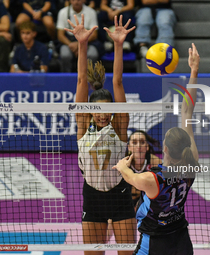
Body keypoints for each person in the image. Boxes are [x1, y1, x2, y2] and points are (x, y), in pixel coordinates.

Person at [113, 43, 200, 255]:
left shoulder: (152, 179)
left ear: (166, 150)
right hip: (180, 239)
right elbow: (187, 110)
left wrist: (121, 165)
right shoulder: (191, 166)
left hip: (155, 242)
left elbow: (128, 175)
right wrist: (194, 71)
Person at [65, 14, 136, 255]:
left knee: (127, 252)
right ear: (90, 111)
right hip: (92, 198)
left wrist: (118, 45)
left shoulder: (119, 127)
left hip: (120, 196)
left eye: (107, 110)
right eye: (97, 110)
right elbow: (81, 80)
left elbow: (117, 81)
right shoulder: (83, 126)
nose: (103, 114)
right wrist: (82, 45)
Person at [57, 0, 102, 72]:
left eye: (78, 0)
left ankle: (90, 79)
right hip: (69, 42)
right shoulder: (63, 12)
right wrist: (71, 45)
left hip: (87, 41)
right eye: (73, 0)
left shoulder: (91, 12)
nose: (76, 2)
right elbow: (60, 35)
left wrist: (79, 44)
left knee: (92, 54)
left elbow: (94, 35)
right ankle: (66, 78)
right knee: (65, 55)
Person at [127, 130, 162, 205]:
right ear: (129, 147)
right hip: (126, 201)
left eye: (142, 142)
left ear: (147, 147)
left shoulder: (155, 163)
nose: (138, 146)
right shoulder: (124, 163)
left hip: (148, 201)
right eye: (134, 143)